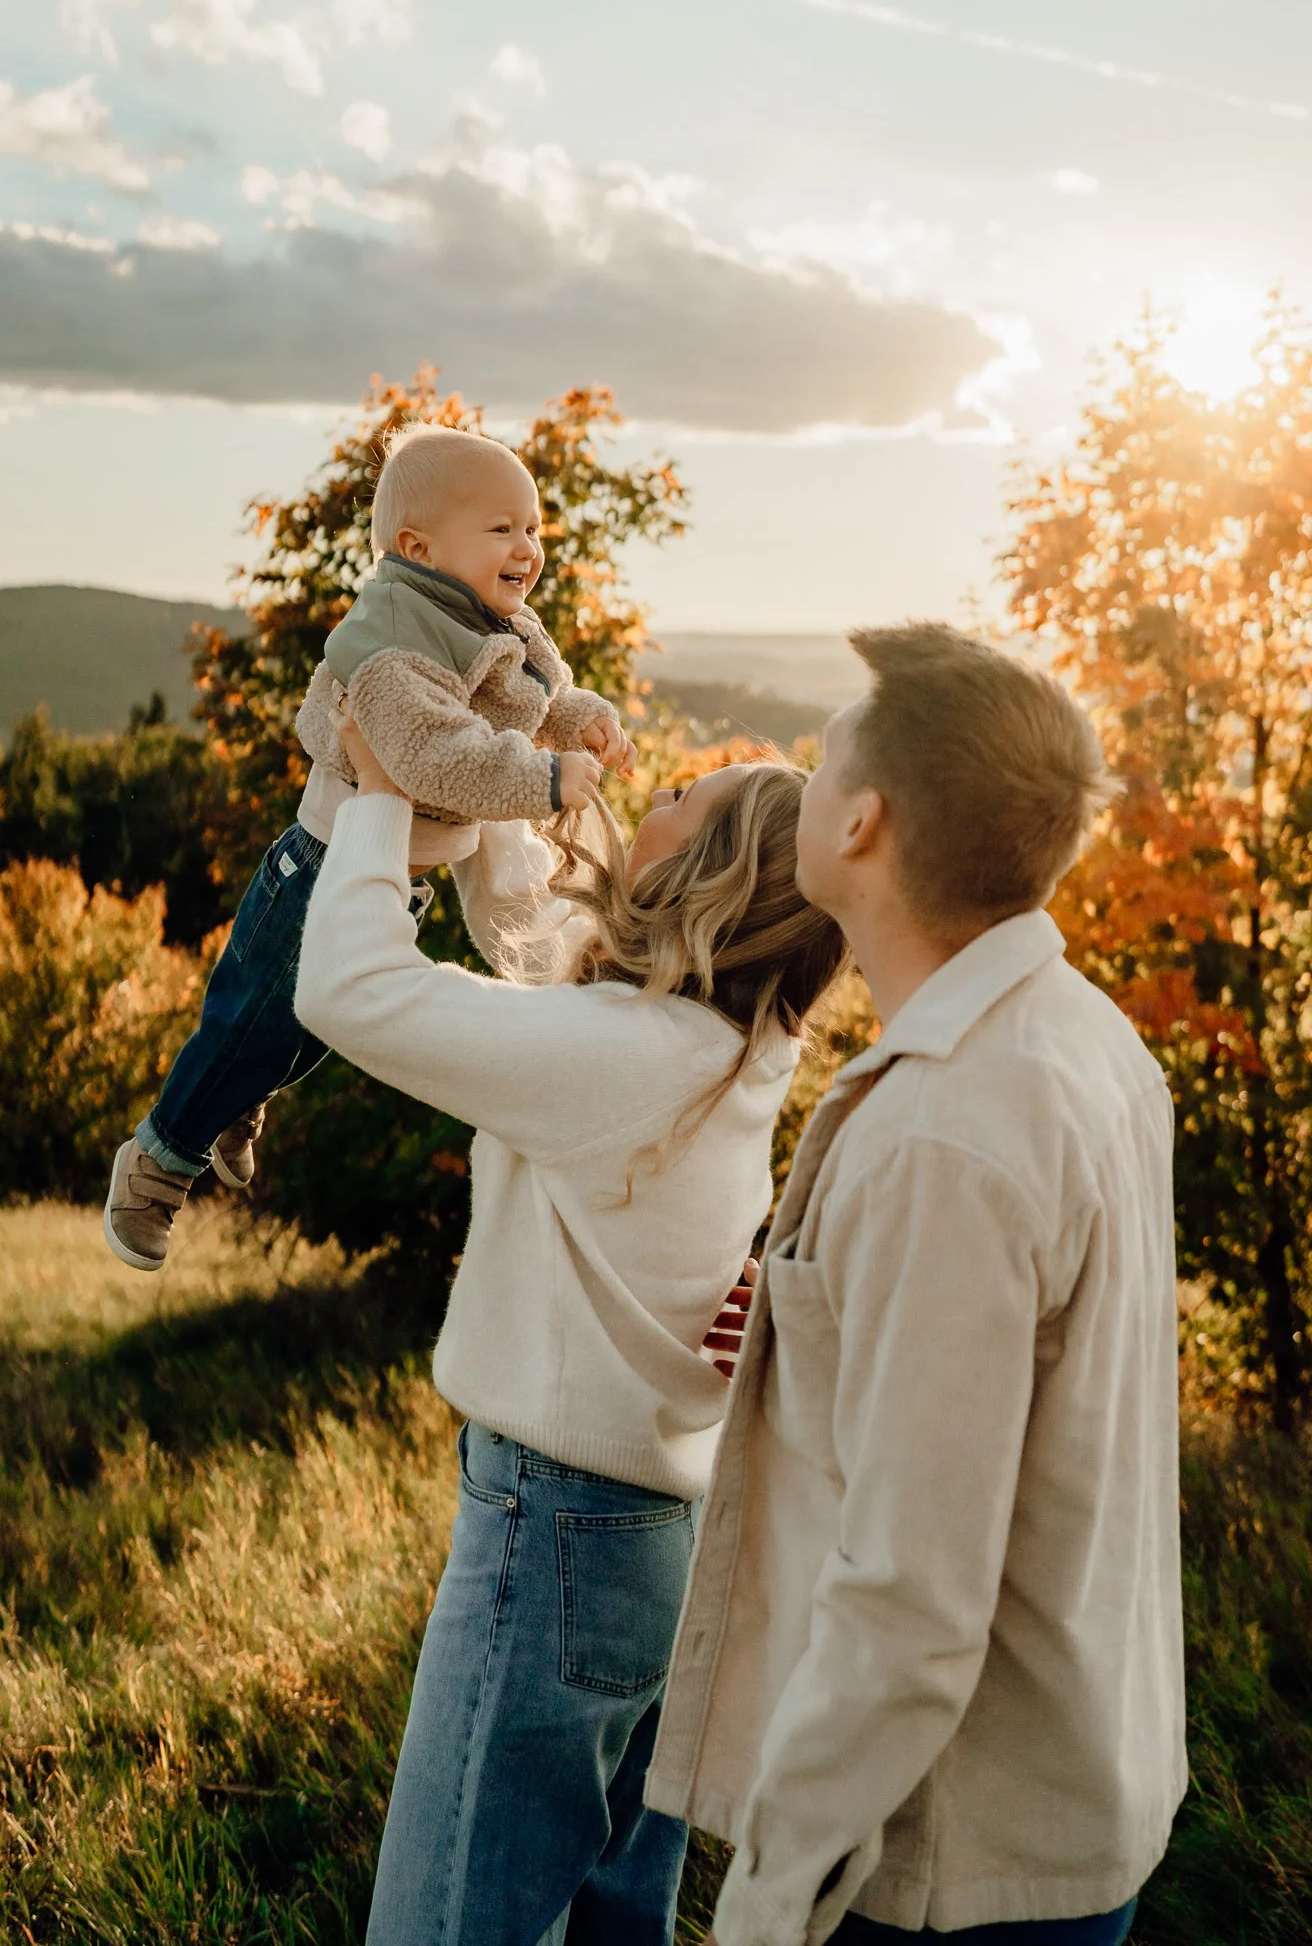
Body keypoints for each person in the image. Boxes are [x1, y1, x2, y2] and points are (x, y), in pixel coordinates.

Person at [647, 623, 1186, 1946]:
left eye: (826, 761)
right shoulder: (1083, 1037)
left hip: (947, 1861)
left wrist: (765, 1907)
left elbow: (912, 1600)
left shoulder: (944, 1136)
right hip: (1067, 1801)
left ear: (864, 825)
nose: (806, 780)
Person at [293, 708, 847, 1946]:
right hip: (659, 1538)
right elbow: (540, 945)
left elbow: (350, 988)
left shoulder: (628, 1055)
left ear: (705, 875)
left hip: (554, 1537)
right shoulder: (732, 1043)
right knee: (605, 1922)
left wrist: (384, 788)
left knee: (447, 1923)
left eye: (681, 803)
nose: (647, 803)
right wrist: (489, 764)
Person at [103, 424, 631, 1272]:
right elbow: (435, 757)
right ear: (417, 546)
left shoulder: (494, 617)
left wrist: (581, 718)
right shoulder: (394, 643)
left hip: (394, 872)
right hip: (322, 865)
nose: (527, 547)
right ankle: (158, 1161)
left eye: (532, 528)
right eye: (501, 529)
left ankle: (245, 1096)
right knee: (253, 1020)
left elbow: (535, 697)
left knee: (319, 1023)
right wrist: (543, 780)